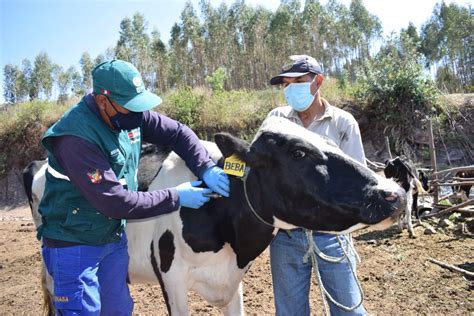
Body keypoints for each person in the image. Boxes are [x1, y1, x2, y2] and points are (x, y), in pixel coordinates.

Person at [38, 59, 230, 315]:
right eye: (130, 107)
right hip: (75, 244)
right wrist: (176, 196)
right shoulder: (76, 138)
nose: (139, 114)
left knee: (118, 310)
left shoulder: (128, 115)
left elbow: (179, 133)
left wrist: (205, 166)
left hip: (111, 239)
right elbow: (115, 202)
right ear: (102, 101)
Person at [264, 55, 367, 315]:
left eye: (299, 81)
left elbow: (358, 183)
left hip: (332, 236)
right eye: (286, 84)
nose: (291, 89)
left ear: (318, 81)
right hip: (286, 236)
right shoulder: (277, 120)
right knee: (289, 312)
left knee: (349, 311)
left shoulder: (343, 123)